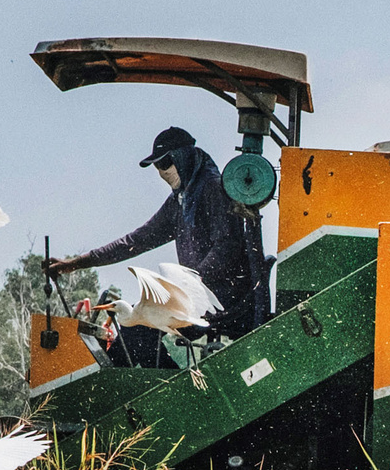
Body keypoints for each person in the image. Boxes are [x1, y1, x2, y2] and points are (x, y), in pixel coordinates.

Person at [48, 128, 271, 355]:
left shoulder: (213, 187)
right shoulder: (181, 200)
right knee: (132, 332)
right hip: (195, 295)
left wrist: (188, 284)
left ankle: (168, 385)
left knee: (138, 331)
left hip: (221, 298)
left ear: (183, 157)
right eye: (157, 167)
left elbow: (227, 246)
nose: (161, 173)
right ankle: (161, 380)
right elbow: (135, 241)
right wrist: (75, 263)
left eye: (165, 164)